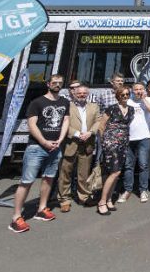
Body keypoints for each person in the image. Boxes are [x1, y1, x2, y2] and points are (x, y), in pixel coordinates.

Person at [9, 75, 70, 233]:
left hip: (55, 147)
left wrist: (60, 140)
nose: (57, 85)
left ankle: (42, 209)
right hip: (37, 147)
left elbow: (65, 122)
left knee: (48, 179)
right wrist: (44, 142)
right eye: (54, 83)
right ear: (48, 84)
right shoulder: (37, 102)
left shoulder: (65, 102)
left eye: (60, 83)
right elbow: (32, 125)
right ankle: (16, 217)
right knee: (27, 181)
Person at [57, 83, 100, 212]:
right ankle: (64, 199)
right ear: (74, 94)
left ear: (88, 94)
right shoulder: (67, 106)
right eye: (79, 93)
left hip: (87, 144)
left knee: (84, 173)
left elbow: (98, 121)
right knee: (65, 173)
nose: (81, 95)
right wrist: (76, 134)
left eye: (84, 93)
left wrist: (90, 132)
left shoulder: (94, 106)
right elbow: (62, 123)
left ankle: (84, 196)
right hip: (71, 143)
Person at [98, 86, 134, 216]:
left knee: (117, 172)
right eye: (122, 95)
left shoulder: (131, 109)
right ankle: (101, 202)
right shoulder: (112, 108)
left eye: (127, 94)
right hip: (111, 142)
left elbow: (126, 126)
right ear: (118, 96)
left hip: (123, 143)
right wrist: (104, 142)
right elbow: (101, 125)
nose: (125, 96)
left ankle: (108, 200)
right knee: (115, 171)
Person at [119, 82, 150, 204]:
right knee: (129, 166)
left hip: (144, 137)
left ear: (144, 90)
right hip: (129, 138)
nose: (138, 91)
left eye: (141, 89)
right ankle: (127, 190)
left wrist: (144, 99)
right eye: (136, 89)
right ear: (132, 90)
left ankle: (143, 190)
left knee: (143, 165)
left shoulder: (148, 100)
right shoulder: (127, 101)